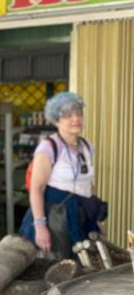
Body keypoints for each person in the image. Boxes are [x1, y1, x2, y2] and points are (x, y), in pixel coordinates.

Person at [19, 92, 105, 257]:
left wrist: (97, 219)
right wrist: (40, 227)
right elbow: (36, 189)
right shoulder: (49, 147)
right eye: (68, 116)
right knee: (55, 266)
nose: (75, 119)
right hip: (55, 217)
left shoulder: (87, 146)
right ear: (56, 120)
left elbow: (89, 184)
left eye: (78, 114)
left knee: (83, 264)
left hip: (80, 214)